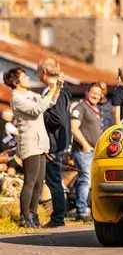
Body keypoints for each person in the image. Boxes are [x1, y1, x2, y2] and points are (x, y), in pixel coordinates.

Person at [3, 66, 62, 228]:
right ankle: (24, 217)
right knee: (30, 181)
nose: (28, 78)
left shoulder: (30, 94)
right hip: (29, 143)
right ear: (16, 82)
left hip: (41, 142)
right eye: (24, 76)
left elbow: (48, 103)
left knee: (39, 182)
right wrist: (51, 89)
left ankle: (33, 214)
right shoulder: (17, 98)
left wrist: (57, 87)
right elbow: (37, 109)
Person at [38, 57, 72, 228]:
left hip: (53, 143)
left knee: (54, 182)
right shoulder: (56, 90)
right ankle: (57, 216)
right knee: (53, 181)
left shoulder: (59, 92)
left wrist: (39, 114)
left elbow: (57, 119)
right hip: (54, 142)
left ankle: (58, 217)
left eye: (38, 71)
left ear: (44, 72)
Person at [71, 83, 103, 222]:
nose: (96, 95)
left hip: (95, 151)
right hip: (83, 151)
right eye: (93, 92)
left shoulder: (96, 109)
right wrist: (85, 145)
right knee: (85, 179)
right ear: (87, 92)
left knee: (91, 181)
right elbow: (74, 128)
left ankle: (90, 209)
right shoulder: (80, 107)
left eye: (98, 93)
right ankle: (82, 211)